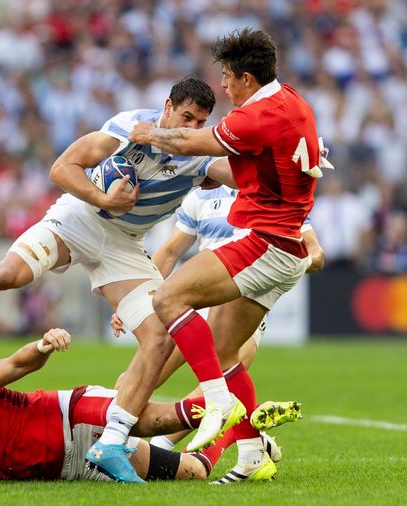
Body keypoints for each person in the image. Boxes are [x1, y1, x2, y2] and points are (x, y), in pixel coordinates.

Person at [0, 77, 241, 483]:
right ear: (167, 107)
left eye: (202, 122)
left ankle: (112, 440)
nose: (193, 128)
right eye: (186, 117)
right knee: (9, 273)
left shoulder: (197, 152)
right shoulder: (128, 128)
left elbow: (238, 176)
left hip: (124, 245)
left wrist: (278, 163)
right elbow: (62, 168)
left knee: (159, 336)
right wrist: (104, 199)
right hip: (78, 218)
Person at [128, 28, 333, 453]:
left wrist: (150, 134)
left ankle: (216, 402)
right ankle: (254, 452)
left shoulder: (256, 115)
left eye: (226, 75)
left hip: (266, 241)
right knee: (224, 357)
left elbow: (190, 143)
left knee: (167, 299)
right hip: (287, 246)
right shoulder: (291, 99)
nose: (222, 84)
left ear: (246, 78)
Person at [112, 185, 323, 482]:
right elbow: (171, 251)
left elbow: (314, 250)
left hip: (243, 303)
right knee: (137, 379)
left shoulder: (273, 194)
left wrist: (303, 260)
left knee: (219, 382)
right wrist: (135, 299)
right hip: (197, 301)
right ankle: (252, 439)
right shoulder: (201, 197)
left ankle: (166, 445)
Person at [0, 328, 279, 484]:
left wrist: (42, 347)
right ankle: (234, 431)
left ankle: (239, 345)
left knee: (138, 416)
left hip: (68, 416)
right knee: (194, 471)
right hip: (76, 467)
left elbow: (14, 365)